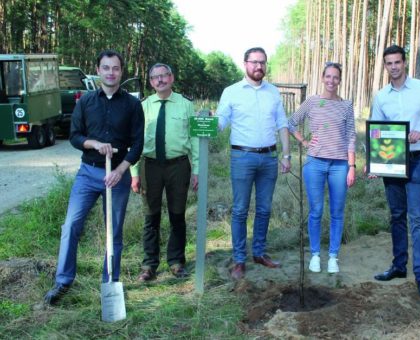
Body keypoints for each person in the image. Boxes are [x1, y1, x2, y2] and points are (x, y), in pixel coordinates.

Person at [44, 50, 144, 305]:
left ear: (122, 71)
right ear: (98, 70)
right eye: (106, 67)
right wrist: (94, 144)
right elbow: (75, 136)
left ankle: (110, 282)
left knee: (114, 232)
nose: (111, 72)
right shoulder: (85, 102)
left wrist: (121, 170)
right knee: (71, 226)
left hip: (118, 175)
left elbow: (138, 143)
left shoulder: (133, 105)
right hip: (88, 173)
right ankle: (63, 281)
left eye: (116, 68)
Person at [370, 45, 420, 299]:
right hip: (392, 163)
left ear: (405, 63)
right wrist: (374, 163)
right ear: (385, 66)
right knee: (396, 216)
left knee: (417, 219)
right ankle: (398, 266)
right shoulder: (381, 96)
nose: (393, 67)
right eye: (388, 63)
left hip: (416, 162)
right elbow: (377, 134)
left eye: (397, 62)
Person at [216, 47, 291, 280]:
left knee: (265, 209)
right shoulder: (231, 92)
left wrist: (286, 155)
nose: (259, 66)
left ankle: (259, 253)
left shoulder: (273, 92)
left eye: (262, 62)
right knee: (239, 210)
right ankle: (239, 259)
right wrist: (206, 122)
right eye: (254, 62)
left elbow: (282, 124)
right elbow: (220, 122)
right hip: (242, 157)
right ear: (245, 64)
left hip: (269, 158)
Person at [130, 63, 199, 281]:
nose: (159, 80)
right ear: (150, 82)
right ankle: (149, 265)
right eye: (154, 77)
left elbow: (195, 138)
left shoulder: (186, 105)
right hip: (149, 166)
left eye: (164, 76)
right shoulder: (143, 106)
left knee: (177, 215)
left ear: (171, 78)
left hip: (178, 166)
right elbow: (136, 140)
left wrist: (196, 169)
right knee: (151, 216)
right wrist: (134, 172)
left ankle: (176, 261)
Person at [288, 62, 356, 273]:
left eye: (335, 77)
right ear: (322, 77)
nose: (331, 81)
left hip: (339, 165)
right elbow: (291, 122)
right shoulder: (312, 102)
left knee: (337, 212)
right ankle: (315, 254)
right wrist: (303, 141)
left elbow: (351, 136)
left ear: (340, 80)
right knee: (316, 211)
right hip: (315, 164)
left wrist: (352, 166)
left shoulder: (346, 106)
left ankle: (333, 256)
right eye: (328, 76)